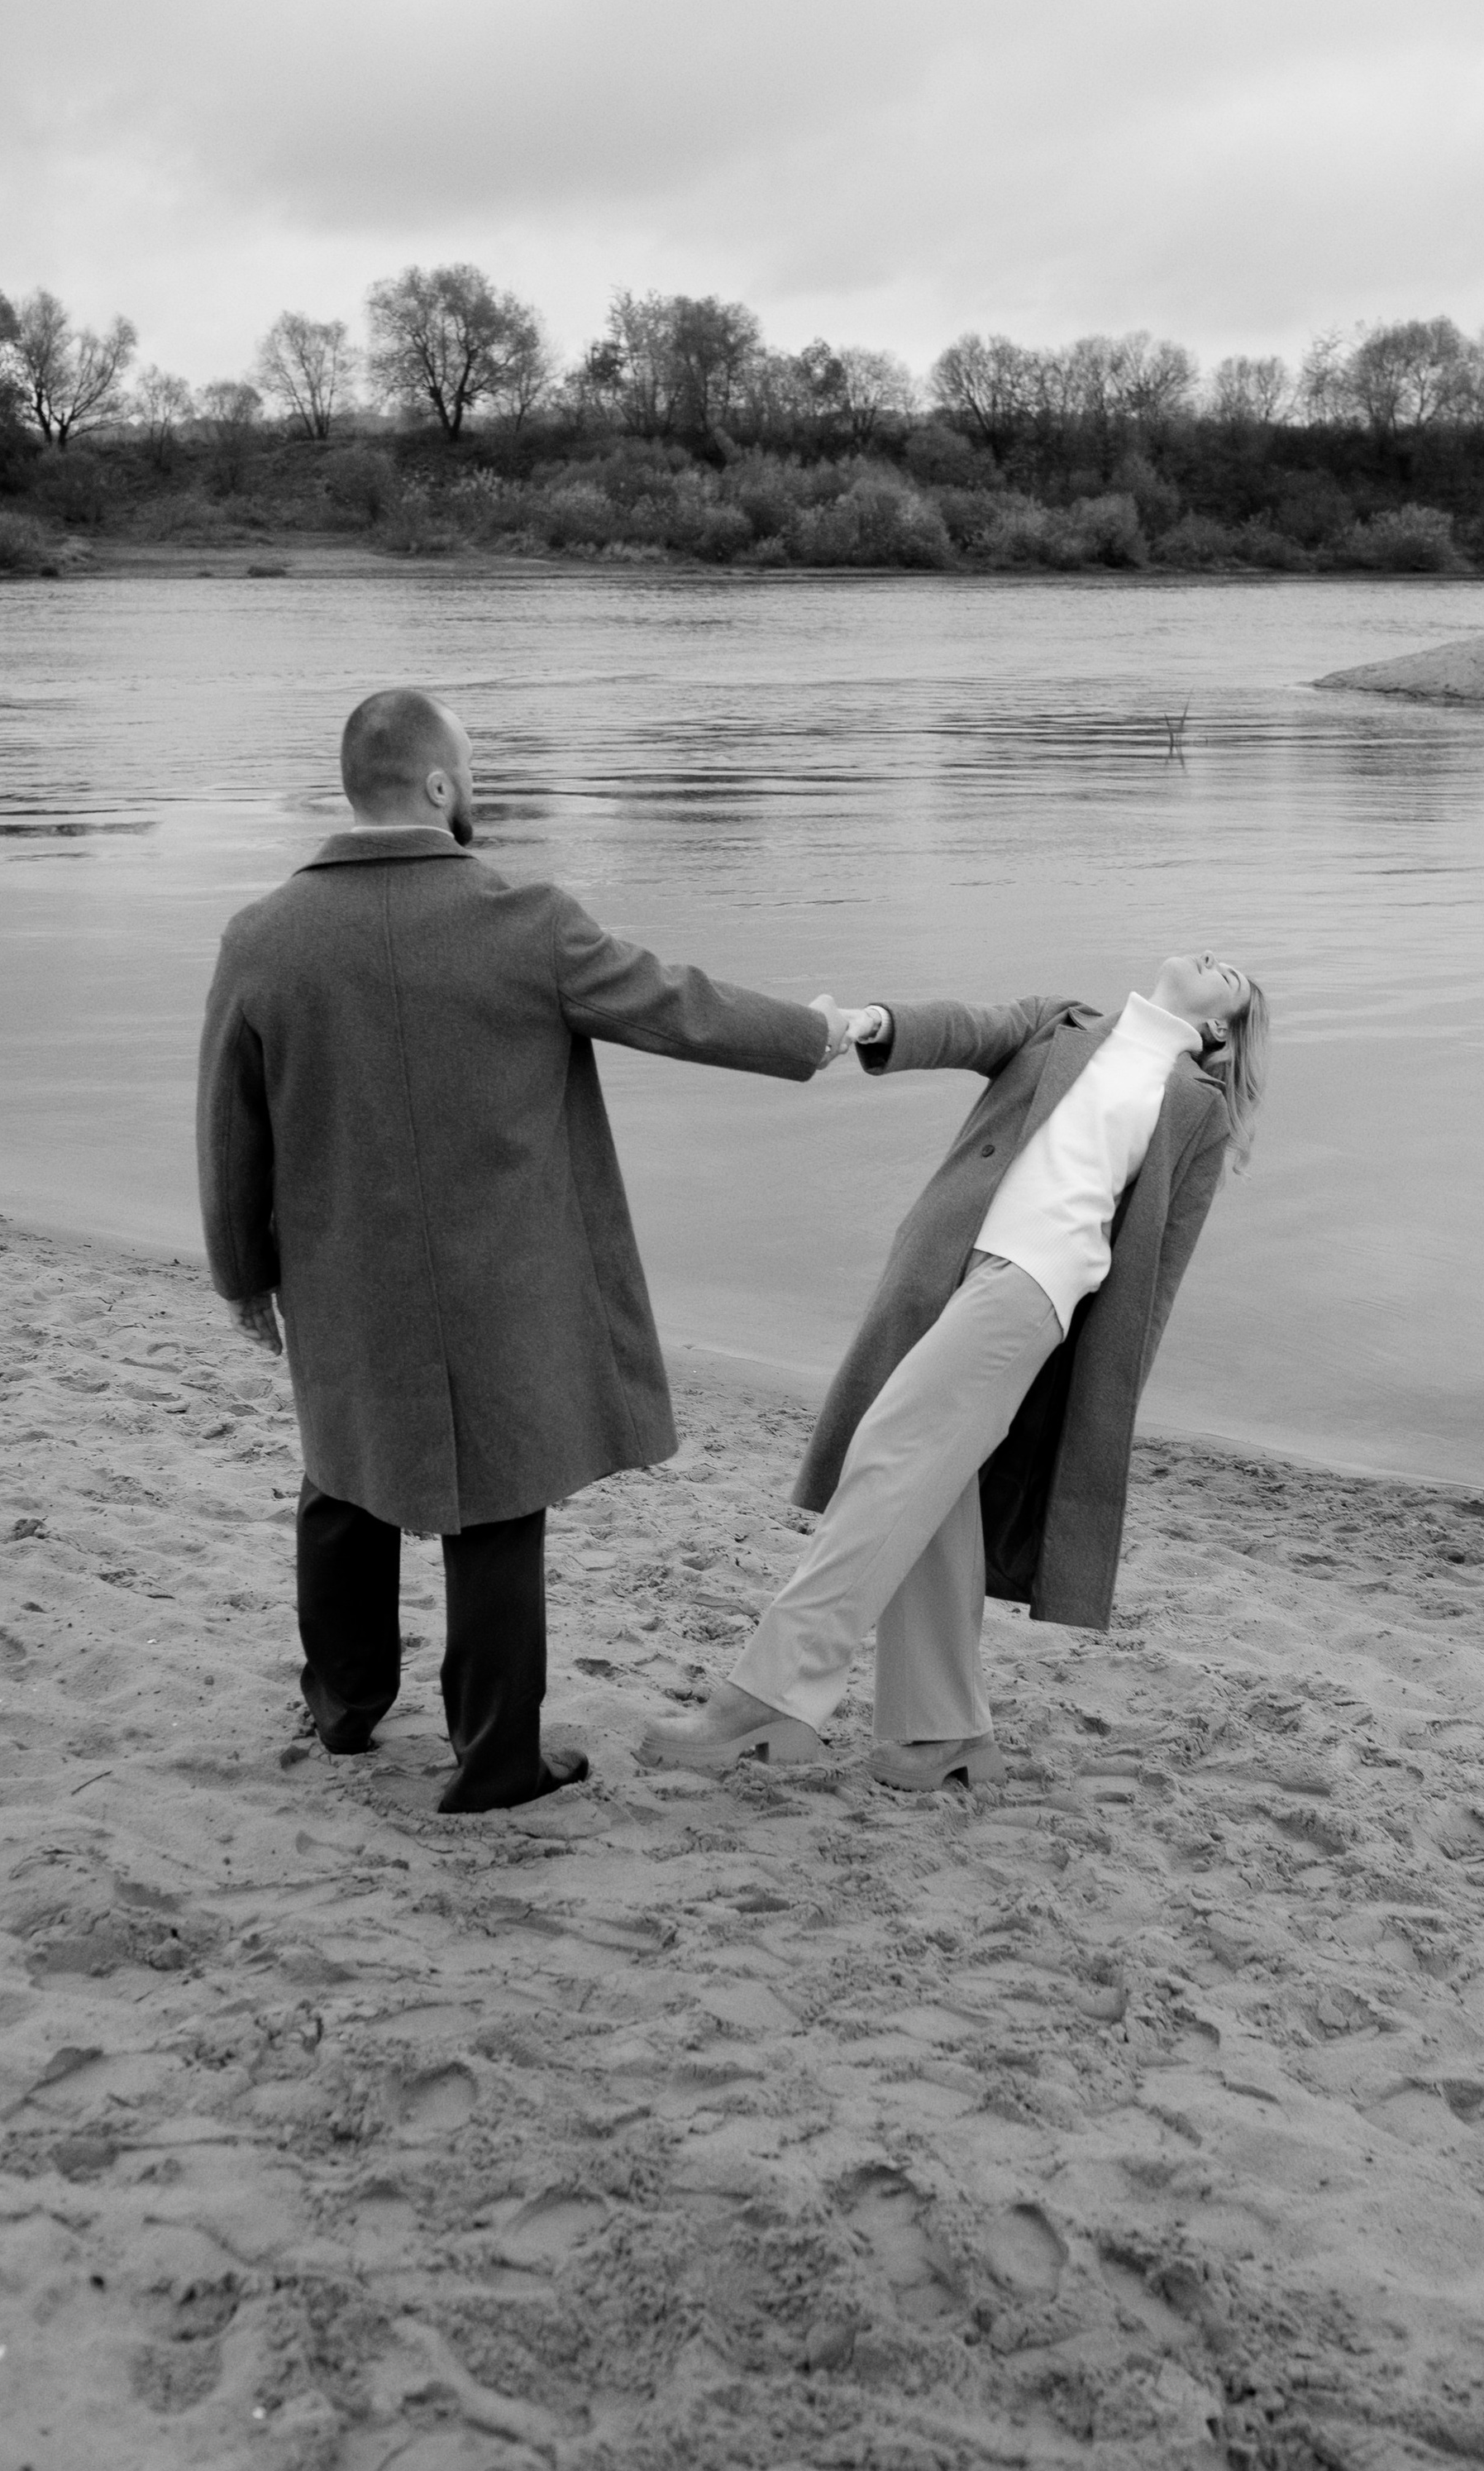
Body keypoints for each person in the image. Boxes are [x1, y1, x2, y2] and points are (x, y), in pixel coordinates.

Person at [197, 686, 854, 1814]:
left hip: (344, 1274)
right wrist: (819, 1032)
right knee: (494, 1511)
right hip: (497, 1286)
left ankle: (345, 1708)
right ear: (441, 785)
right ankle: (495, 1758)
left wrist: (242, 1272)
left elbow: (229, 1126)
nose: (480, 787)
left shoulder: (263, 937)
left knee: (343, 1477)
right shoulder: (529, 922)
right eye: (475, 768)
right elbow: (680, 1007)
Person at [638, 954, 1267, 1790]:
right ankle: (938, 1733)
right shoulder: (1062, 1023)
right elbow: (965, 1026)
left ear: (1219, 1026)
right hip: (946, 1272)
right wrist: (867, 1022)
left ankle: (767, 1691)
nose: (1213, 958)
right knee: (931, 1492)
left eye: (1231, 975)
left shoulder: (1197, 1107)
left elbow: (1158, 1271)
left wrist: (1103, 1403)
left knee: (891, 1456)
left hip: (1037, 1284)